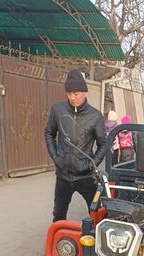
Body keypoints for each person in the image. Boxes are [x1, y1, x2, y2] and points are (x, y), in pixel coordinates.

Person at [45, 69, 107, 222]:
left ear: (85, 92)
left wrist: (91, 164)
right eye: (69, 94)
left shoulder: (95, 116)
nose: (72, 98)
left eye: (76, 93)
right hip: (63, 176)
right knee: (58, 215)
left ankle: (96, 244)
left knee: (97, 215)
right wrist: (56, 158)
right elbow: (49, 133)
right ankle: (61, 245)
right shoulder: (58, 109)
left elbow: (103, 144)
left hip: (86, 176)